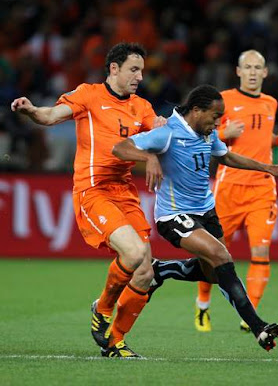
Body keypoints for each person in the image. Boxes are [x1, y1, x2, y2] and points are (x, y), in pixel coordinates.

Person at [112, 84, 278, 351]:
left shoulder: (207, 133)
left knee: (213, 274)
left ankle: (160, 270)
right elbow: (120, 148)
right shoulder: (168, 133)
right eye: (215, 116)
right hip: (174, 216)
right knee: (222, 256)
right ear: (197, 110)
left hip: (207, 212)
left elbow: (226, 156)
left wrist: (267, 167)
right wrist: (149, 158)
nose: (218, 122)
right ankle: (258, 327)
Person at [11, 42, 166, 359]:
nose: (139, 76)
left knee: (146, 273)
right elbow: (52, 115)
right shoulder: (89, 95)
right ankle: (104, 308)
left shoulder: (142, 107)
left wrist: (166, 128)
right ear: (114, 68)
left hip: (125, 191)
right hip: (93, 190)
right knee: (135, 253)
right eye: (133, 69)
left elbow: (163, 137)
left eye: (142, 71)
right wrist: (31, 111)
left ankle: (114, 342)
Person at [194, 49, 278, 332]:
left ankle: (250, 314)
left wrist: (277, 140)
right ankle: (202, 305)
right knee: (213, 253)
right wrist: (224, 134)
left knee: (260, 251)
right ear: (238, 72)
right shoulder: (222, 101)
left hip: (262, 188)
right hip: (229, 188)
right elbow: (200, 135)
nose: (251, 72)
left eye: (257, 67)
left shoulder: (270, 103)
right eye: (246, 67)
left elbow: (258, 141)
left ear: (265, 72)